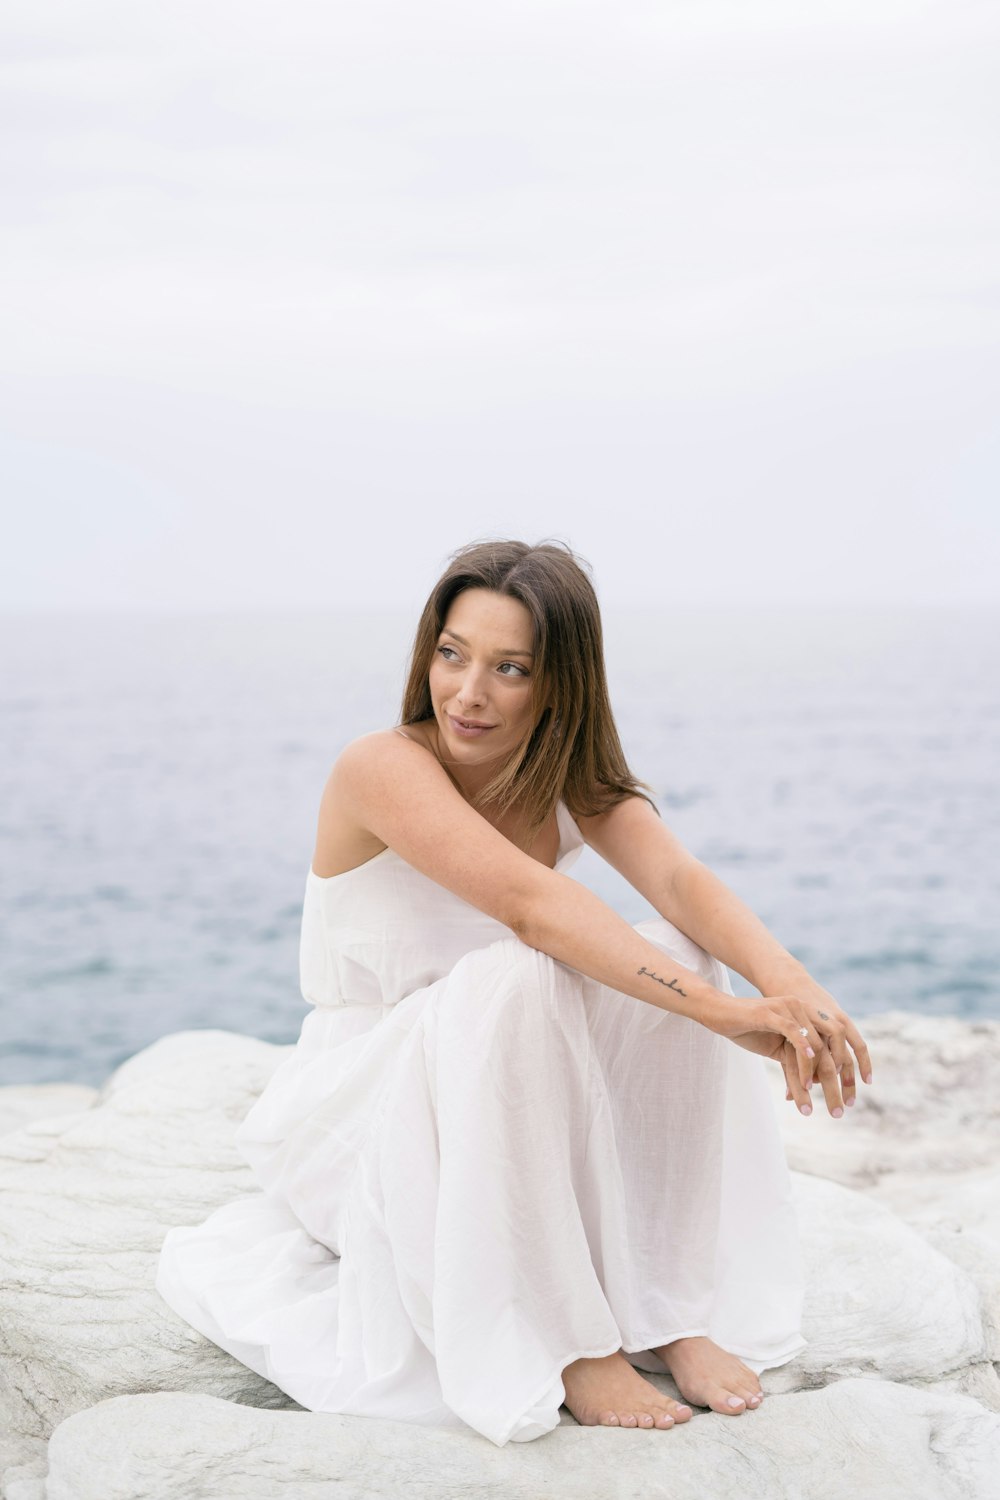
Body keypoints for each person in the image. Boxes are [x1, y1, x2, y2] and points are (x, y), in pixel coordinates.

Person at [156, 538, 872, 1446]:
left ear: (559, 685)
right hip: (365, 1107)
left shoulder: (566, 771)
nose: (468, 692)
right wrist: (726, 1017)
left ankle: (666, 1305)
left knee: (671, 947)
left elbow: (683, 883)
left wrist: (794, 991)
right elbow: (532, 908)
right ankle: (572, 1341)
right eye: (451, 654)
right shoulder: (381, 767)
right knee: (516, 973)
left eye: (510, 669)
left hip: (514, 1078)